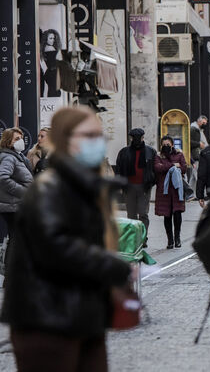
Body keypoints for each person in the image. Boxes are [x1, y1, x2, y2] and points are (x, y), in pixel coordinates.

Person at [1, 106, 132, 371]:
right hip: (46, 318)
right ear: (65, 139)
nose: (95, 142)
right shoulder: (50, 187)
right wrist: (112, 265)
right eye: (87, 135)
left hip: (82, 315)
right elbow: (56, 246)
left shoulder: (81, 184)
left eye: (98, 135)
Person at [114, 128, 156, 238]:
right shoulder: (124, 152)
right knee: (131, 215)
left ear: (143, 138)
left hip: (144, 187)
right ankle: (135, 238)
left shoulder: (150, 151)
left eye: (140, 138)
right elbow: (118, 169)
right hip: (129, 188)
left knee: (143, 213)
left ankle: (143, 238)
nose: (138, 140)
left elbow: (155, 169)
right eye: (135, 138)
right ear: (131, 138)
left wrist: (151, 182)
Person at [153, 136, 188, 249]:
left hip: (177, 189)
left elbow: (184, 167)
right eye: (164, 144)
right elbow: (158, 168)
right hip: (165, 190)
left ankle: (177, 238)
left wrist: (168, 166)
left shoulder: (179, 154)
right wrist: (173, 165)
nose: (166, 146)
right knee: (167, 215)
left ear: (172, 144)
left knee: (177, 214)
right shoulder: (158, 156)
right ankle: (170, 240)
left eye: (168, 144)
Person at [0, 127, 34, 242]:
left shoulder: (18, 157)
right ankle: (11, 260)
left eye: (21, 138)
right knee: (17, 240)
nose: (20, 141)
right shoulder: (9, 157)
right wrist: (24, 192)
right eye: (17, 139)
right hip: (13, 206)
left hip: (17, 205)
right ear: (8, 141)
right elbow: (3, 178)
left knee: (18, 240)